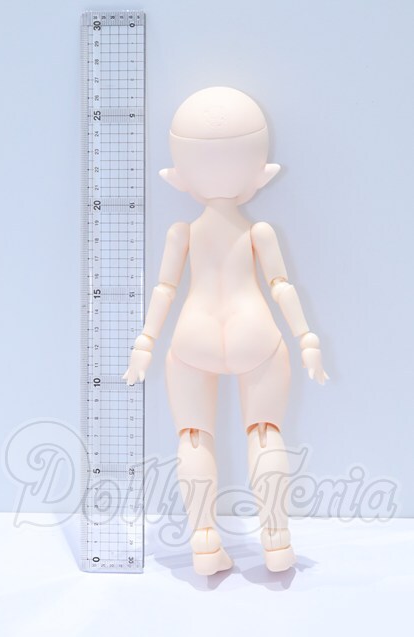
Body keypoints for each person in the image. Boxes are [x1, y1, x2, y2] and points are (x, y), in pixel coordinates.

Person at [123, 87, 329, 575]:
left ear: (177, 176)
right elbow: (280, 286)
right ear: (262, 173)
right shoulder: (259, 233)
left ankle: (204, 541)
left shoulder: (182, 232)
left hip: (193, 334)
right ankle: (276, 541)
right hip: (253, 332)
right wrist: (307, 339)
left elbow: (164, 289)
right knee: (265, 431)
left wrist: (145, 342)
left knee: (193, 435)